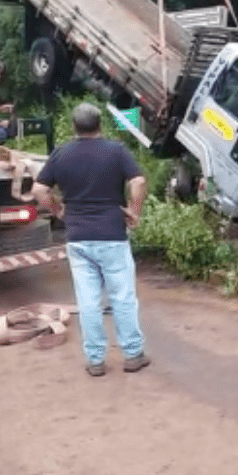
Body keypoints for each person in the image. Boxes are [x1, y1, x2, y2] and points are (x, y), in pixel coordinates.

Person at [30, 103, 150, 377]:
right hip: (112, 235)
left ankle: (96, 361)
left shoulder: (62, 154)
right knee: (123, 298)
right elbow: (139, 182)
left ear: (74, 126)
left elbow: (39, 189)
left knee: (88, 301)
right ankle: (132, 355)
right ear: (100, 125)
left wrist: (59, 210)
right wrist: (135, 211)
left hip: (78, 237)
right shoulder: (116, 151)